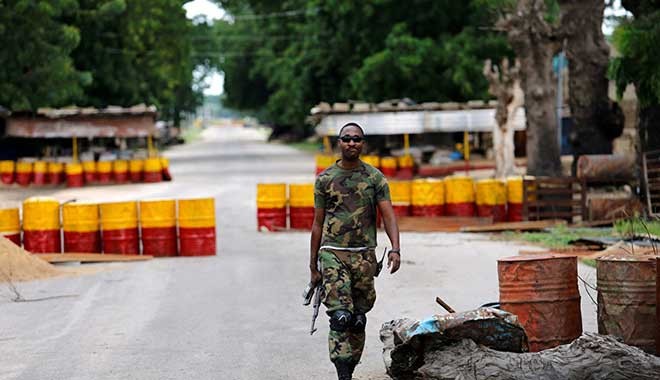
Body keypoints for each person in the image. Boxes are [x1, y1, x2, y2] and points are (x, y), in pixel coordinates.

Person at [309, 122, 401, 380]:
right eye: (347, 139)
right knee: (340, 316)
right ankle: (342, 374)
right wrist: (313, 266)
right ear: (339, 142)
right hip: (332, 252)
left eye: (357, 139)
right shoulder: (325, 180)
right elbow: (317, 223)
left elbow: (388, 215)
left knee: (357, 318)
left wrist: (396, 249)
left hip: (363, 255)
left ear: (363, 143)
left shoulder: (374, 178)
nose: (352, 143)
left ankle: (350, 364)